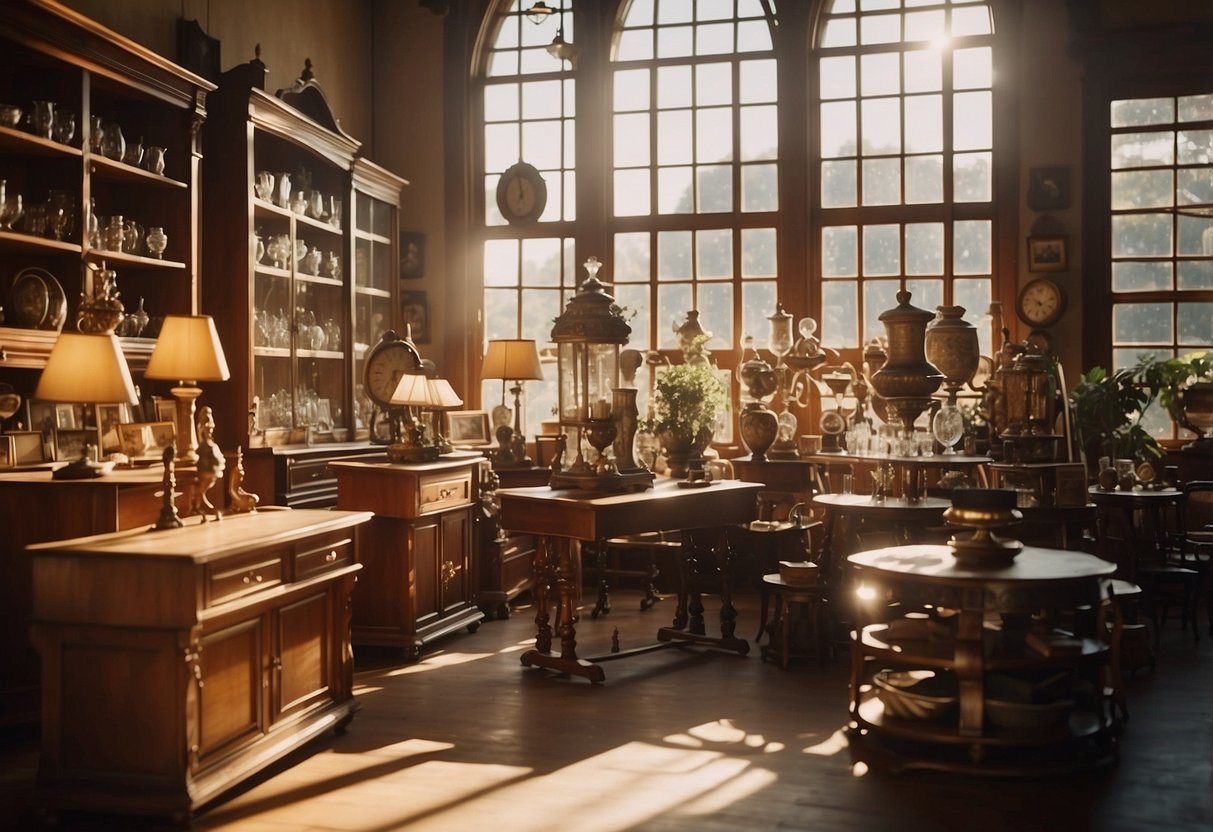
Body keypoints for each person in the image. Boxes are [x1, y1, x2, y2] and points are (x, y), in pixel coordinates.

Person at [191, 406, 226, 521]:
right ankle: (201, 508)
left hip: (209, 467)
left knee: (201, 492)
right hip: (206, 467)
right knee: (200, 492)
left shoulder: (209, 446)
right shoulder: (205, 446)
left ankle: (200, 508)